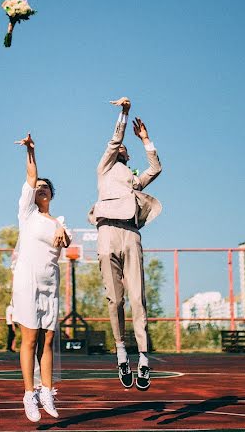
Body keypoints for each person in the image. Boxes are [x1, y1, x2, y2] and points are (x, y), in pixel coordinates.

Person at [88, 97, 162, 391]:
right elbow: (114, 138)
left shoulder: (133, 180)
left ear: (128, 157)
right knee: (114, 299)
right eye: (118, 147)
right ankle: (121, 352)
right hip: (106, 232)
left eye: (124, 148)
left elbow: (155, 168)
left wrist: (145, 140)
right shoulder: (104, 169)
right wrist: (124, 113)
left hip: (131, 234)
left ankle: (143, 358)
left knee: (137, 298)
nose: (121, 148)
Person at [12, 133, 71, 422]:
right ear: (32, 194)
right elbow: (31, 173)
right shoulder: (27, 214)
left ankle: (47, 390)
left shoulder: (59, 222)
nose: (41, 189)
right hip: (27, 282)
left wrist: (61, 231)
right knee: (30, 339)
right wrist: (31, 151)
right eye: (38, 187)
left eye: (46, 187)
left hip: (50, 283)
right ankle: (28, 394)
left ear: (52, 194)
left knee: (48, 341)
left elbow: (66, 242)